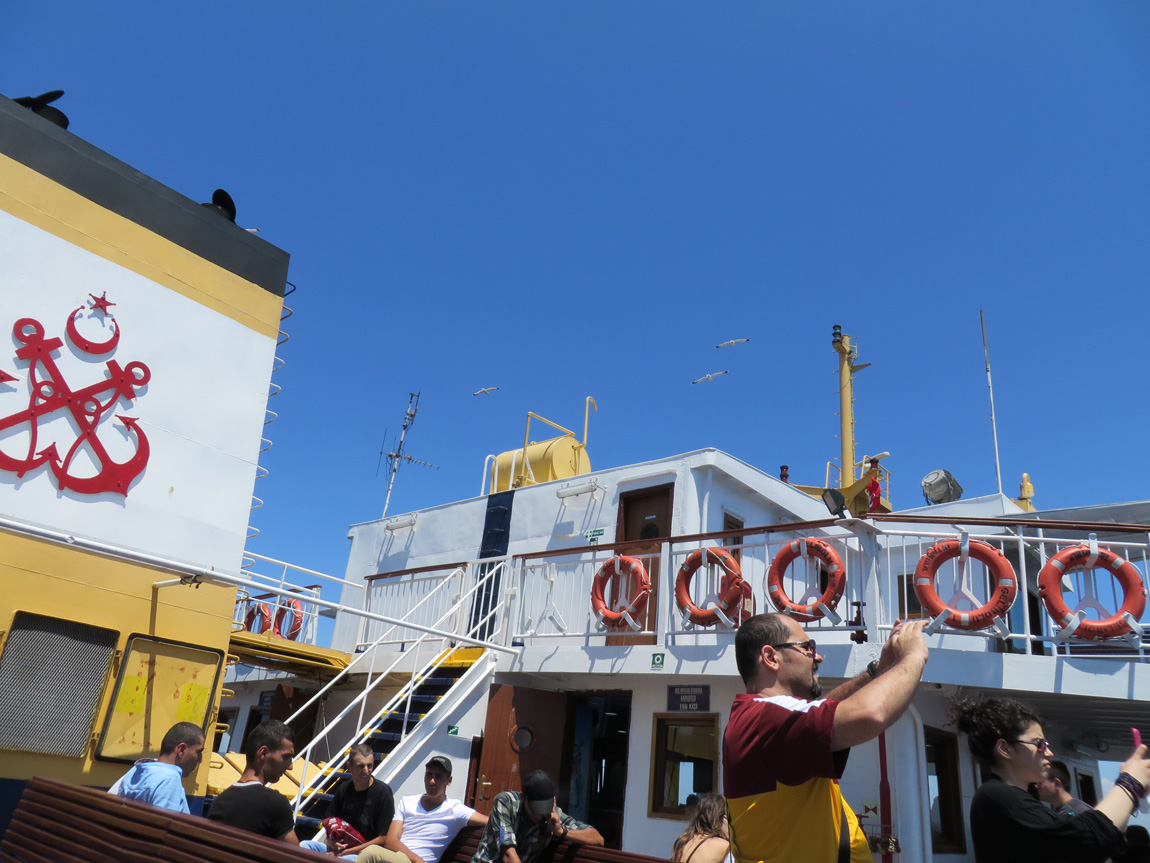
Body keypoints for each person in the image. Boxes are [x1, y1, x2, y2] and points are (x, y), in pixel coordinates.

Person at [722, 613, 929, 863]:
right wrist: (914, 656)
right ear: (770, 657)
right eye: (807, 648)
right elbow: (871, 714)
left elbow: (825, 708)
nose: (817, 656)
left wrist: (879, 670)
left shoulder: (761, 717)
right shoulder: (766, 718)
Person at [949, 696, 1150, 863]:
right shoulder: (997, 797)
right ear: (1005, 749)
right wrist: (1130, 783)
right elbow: (1086, 840)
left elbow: (1095, 842)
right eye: (1040, 744)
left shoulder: (1008, 800)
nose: (1050, 753)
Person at [357, 755, 487, 863]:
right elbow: (391, 841)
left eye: (438, 776)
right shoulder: (407, 802)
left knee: (370, 852)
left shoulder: (455, 810)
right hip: (402, 858)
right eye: (428, 775)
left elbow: (489, 820)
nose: (432, 781)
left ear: (449, 780)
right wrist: (415, 858)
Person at [470, 769, 603, 863]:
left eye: (544, 808)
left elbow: (598, 839)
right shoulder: (505, 803)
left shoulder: (553, 815)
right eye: (536, 808)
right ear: (523, 797)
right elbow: (508, 854)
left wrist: (561, 831)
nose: (540, 815)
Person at [207, 720, 299, 843]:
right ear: (263, 753)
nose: (290, 766)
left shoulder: (220, 801)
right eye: (286, 757)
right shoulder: (275, 803)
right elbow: (296, 857)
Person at [299, 744, 395, 858]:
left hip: (365, 855)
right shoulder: (344, 788)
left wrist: (345, 853)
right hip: (340, 849)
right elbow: (329, 820)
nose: (366, 771)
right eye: (361, 766)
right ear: (349, 766)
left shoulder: (383, 792)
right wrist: (330, 842)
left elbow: (383, 838)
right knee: (304, 845)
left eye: (370, 766)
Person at [108, 721, 205, 814]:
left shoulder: (137, 770)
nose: (200, 760)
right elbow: (164, 826)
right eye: (199, 752)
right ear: (182, 750)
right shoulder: (169, 779)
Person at [670, 793, 731, 863]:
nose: (732, 823)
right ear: (718, 818)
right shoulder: (725, 847)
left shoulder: (683, 842)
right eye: (729, 817)